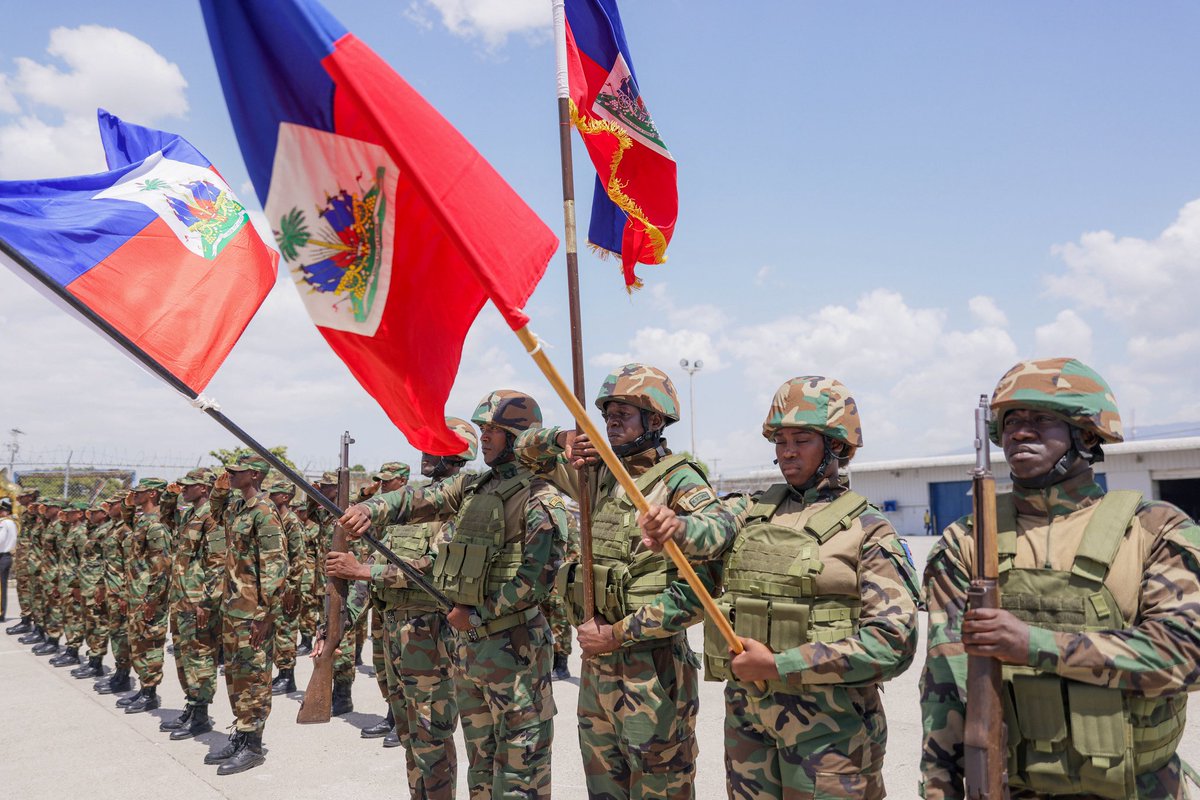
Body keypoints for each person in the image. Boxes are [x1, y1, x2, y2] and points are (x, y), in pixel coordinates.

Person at [919, 358, 1200, 800]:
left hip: (1137, 789)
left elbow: (1186, 654)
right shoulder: (967, 541)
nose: (1020, 431)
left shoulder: (1154, 530)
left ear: (1087, 433)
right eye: (1011, 420)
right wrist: (941, 791)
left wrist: (1033, 644)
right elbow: (946, 685)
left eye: (1041, 419)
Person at [640, 376, 920, 799]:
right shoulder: (751, 509)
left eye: (802, 439)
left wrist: (780, 665)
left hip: (831, 738)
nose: (787, 450)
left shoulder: (868, 531)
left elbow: (892, 645)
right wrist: (676, 527)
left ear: (837, 446)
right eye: (780, 440)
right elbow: (709, 530)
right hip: (749, 728)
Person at [340, 391, 568, 800]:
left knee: (520, 770)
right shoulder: (474, 485)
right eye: (483, 429)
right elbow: (417, 497)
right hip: (470, 654)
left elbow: (536, 582)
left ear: (520, 436)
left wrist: (478, 615)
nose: (485, 438)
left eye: (495, 430)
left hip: (513, 652)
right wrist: (373, 508)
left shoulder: (539, 498)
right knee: (481, 767)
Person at [515, 363, 726, 800]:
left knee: (659, 785)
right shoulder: (598, 475)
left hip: (653, 667)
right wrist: (561, 439)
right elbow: (524, 453)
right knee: (605, 788)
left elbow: (699, 590)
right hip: (598, 666)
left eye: (623, 413)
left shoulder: (679, 481)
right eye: (607, 413)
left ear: (654, 420)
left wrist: (617, 634)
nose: (611, 421)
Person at [325, 423, 476, 796]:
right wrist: (337, 628)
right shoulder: (409, 501)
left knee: (431, 734)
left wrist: (361, 569)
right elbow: (375, 566)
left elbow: (437, 567)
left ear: (456, 453)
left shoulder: (462, 504)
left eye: (433, 445)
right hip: (392, 630)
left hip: (430, 635)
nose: (424, 451)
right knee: (409, 733)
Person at [204, 454, 287, 775]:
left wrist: (267, 613)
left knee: (254, 674)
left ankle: (253, 744)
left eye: (234, 472)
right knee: (236, 674)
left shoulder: (264, 513)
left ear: (253, 475)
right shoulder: (239, 508)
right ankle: (241, 731)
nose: (228, 475)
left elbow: (275, 564)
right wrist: (219, 491)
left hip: (254, 610)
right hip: (234, 606)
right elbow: (215, 517)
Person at [158, 468, 224, 740]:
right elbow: (165, 520)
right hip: (182, 599)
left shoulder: (212, 516)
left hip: (198, 600)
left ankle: (201, 715)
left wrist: (206, 602)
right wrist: (169, 498)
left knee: (201, 657)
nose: (184, 489)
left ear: (204, 488)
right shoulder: (188, 514)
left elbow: (218, 562)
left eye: (189, 486)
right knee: (185, 657)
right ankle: (192, 704)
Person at [119, 479, 172, 713]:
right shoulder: (143, 520)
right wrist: (128, 506)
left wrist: (152, 599)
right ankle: (143, 688)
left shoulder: (158, 525)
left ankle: (150, 693)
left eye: (138, 492)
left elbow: (161, 566)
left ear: (151, 493)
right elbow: (129, 522)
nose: (134, 494)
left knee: (149, 642)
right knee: (137, 642)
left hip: (149, 595)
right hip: (136, 592)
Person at [266, 480, 305, 697]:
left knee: (286, 631)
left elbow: (298, 557)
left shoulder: (292, 521)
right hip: (278, 587)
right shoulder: (274, 520)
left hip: (289, 588)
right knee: (277, 630)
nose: (269, 498)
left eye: (273, 494)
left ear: (284, 497)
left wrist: (291, 588)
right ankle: (281, 672)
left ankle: (287, 676)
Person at [69, 502, 112, 679]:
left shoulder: (107, 530)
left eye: (94, 513)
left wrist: (101, 587)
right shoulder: (95, 529)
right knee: (90, 623)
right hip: (88, 584)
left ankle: (96, 663)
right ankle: (93, 659)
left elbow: (107, 562)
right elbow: (84, 561)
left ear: (104, 514)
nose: (90, 515)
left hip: (97, 586)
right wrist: (78, 585)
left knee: (98, 623)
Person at [0, 498, 16, 623]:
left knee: (0, 587)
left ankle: (0, 613)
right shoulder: (11, 522)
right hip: (6, 556)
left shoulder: (4, 523)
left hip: (2, 556)